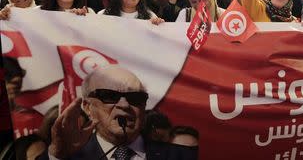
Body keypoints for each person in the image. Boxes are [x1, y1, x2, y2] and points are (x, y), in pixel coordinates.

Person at [39, 65, 197, 159]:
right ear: (87, 107)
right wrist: (56, 155)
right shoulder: (67, 156)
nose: (124, 104)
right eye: (110, 96)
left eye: (135, 97)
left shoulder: (183, 156)